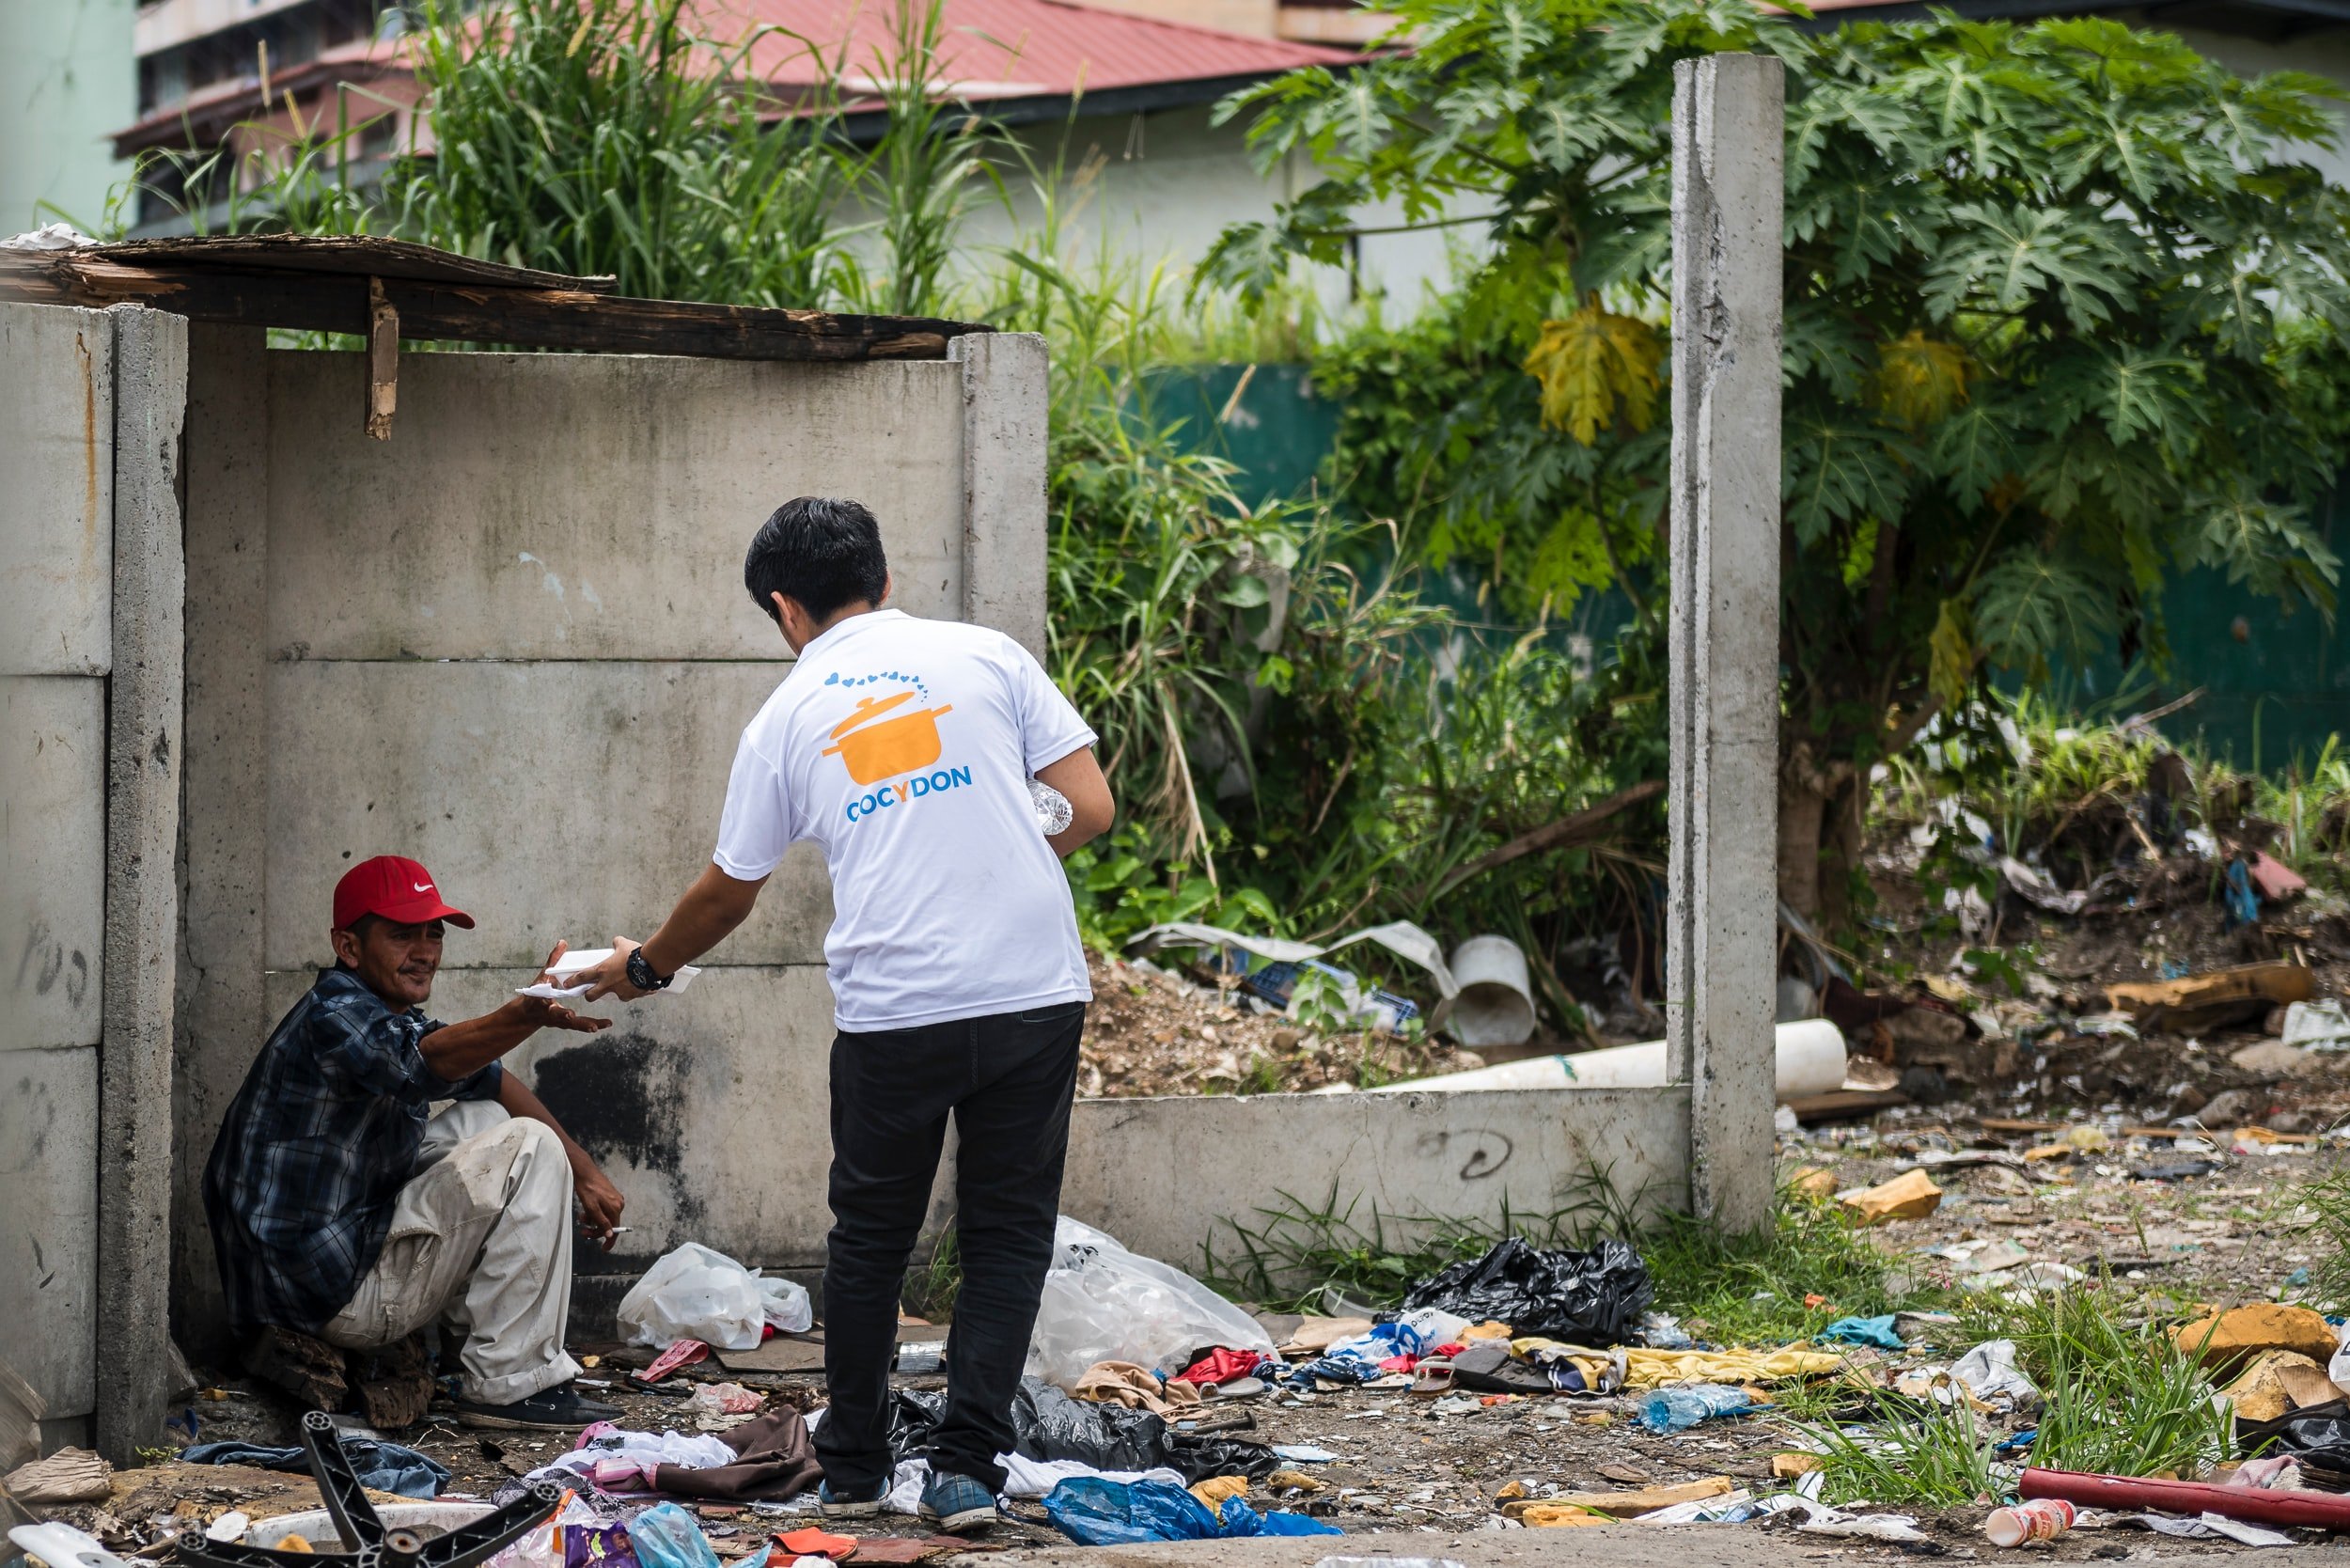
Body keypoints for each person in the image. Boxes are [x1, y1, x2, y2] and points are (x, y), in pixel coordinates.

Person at [569, 496, 1113, 1531]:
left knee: (868, 1241)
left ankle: (856, 1469)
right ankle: (963, 1478)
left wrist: (643, 965)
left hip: (896, 1010)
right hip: (1032, 992)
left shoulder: (784, 717)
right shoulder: (987, 656)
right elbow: (1086, 807)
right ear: (885, 579)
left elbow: (732, 891)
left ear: (784, 608)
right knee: (1005, 1239)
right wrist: (989, 845)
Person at [203, 854, 629, 1431]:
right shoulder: (336, 1015)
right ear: (349, 948)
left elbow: (489, 1077)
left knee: (485, 1117)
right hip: (322, 1298)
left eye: (433, 934)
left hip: (334, 1262)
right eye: (403, 934)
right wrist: (524, 1013)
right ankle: (509, 1383)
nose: (425, 950)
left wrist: (586, 1172)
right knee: (528, 1148)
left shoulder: (378, 1011)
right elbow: (424, 1064)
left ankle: (472, 1346)